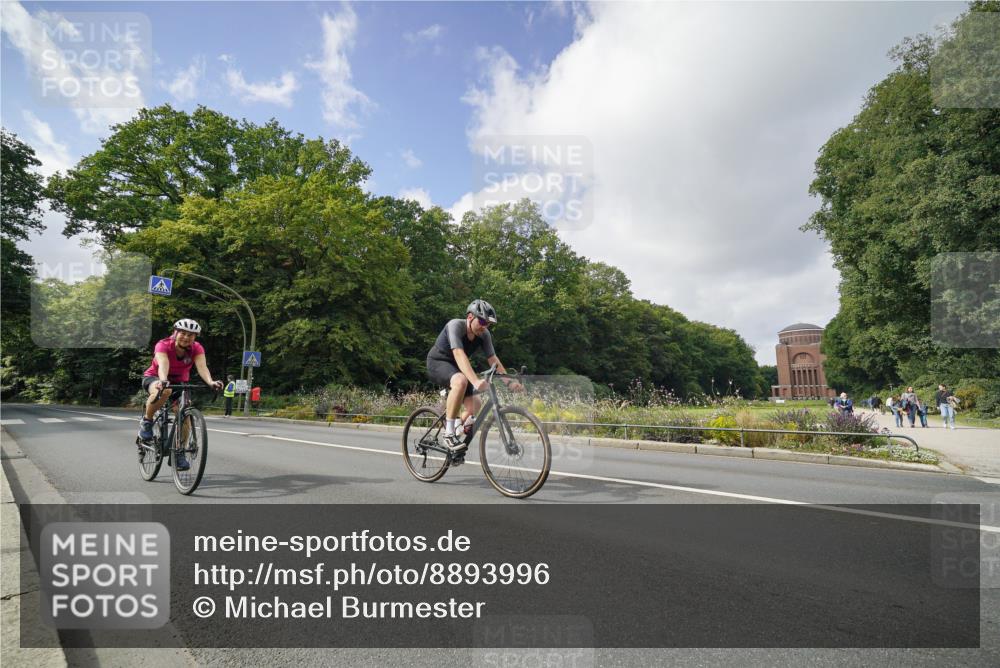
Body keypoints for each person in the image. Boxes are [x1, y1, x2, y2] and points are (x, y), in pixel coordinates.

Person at [426, 299, 521, 465]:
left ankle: (456, 432)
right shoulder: (455, 326)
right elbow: (458, 354)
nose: (485, 327)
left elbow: (493, 359)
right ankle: (449, 433)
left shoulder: (484, 335)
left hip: (457, 368)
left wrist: (509, 382)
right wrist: (476, 381)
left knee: (475, 404)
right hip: (437, 362)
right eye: (482, 321)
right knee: (461, 381)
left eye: (488, 324)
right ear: (470, 317)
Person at [138, 319, 223, 470]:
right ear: (175, 332)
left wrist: (211, 382)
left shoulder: (196, 348)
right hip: (156, 377)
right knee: (165, 391)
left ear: (195, 337)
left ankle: (179, 452)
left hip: (180, 381)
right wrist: (163, 380)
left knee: (185, 415)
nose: (186, 337)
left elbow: (202, 367)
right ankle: (147, 422)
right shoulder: (163, 345)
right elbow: (163, 363)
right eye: (183, 333)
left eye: (191, 335)